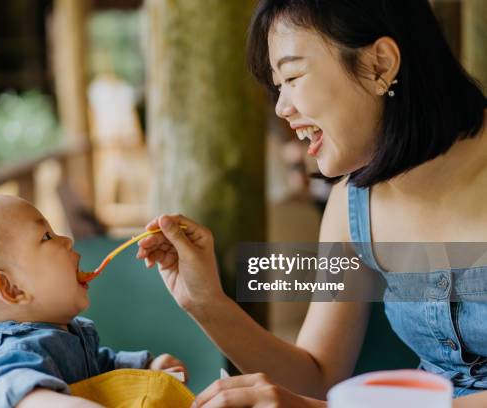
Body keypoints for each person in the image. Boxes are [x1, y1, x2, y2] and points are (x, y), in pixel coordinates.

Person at [136, 0, 487, 406]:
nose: (282, 108)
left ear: (380, 64)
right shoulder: (353, 203)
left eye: (293, 76)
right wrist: (207, 302)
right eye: (277, 86)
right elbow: (316, 376)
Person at [0, 195, 187, 408]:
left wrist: (145, 366)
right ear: (12, 289)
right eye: (46, 237)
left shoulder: (65, 335)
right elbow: (14, 390)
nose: (67, 240)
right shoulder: (12, 353)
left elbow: (98, 370)